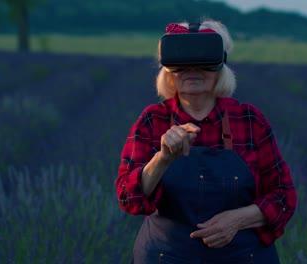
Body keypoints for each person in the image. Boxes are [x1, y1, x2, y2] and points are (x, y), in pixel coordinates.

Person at [115, 18, 297, 264]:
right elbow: (129, 198)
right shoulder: (152, 120)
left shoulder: (249, 120)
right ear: (168, 71)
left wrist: (238, 219)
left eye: (204, 62)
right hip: (165, 257)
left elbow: (283, 195)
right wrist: (162, 159)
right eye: (181, 64)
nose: (192, 69)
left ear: (221, 66)